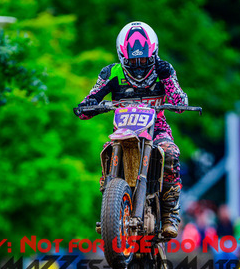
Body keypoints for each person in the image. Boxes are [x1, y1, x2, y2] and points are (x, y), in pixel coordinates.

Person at [74, 21, 189, 238]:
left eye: (143, 60)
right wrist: (88, 106)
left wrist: (168, 79)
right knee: (106, 151)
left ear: (153, 55)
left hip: (157, 130)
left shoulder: (164, 70)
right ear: (122, 57)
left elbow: (180, 103)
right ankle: (111, 206)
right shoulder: (111, 73)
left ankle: (170, 213)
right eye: (132, 61)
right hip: (123, 133)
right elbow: (88, 102)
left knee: (170, 152)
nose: (138, 66)